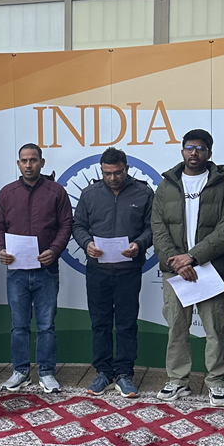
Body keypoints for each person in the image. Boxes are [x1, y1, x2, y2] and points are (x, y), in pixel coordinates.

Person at [152, 130, 224, 406]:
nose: (194, 153)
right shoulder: (167, 186)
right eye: (189, 148)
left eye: (200, 149)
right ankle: (177, 381)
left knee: (215, 329)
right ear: (181, 151)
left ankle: (216, 383)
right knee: (177, 327)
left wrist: (192, 257)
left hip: (209, 268)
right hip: (175, 271)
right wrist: (176, 261)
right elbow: (158, 227)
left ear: (209, 153)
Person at [71, 147, 152, 398]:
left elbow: (152, 228)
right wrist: (87, 244)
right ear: (101, 170)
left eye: (117, 173)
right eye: (107, 173)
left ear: (126, 168)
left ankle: (125, 373)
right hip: (97, 270)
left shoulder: (144, 192)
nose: (112, 178)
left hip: (129, 269)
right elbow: (78, 225)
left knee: (127, 323)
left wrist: (139, 244)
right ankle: (103, 372)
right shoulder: (89, 193)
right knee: (100, 323)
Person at [0, 143, 73, 393]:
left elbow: (66, 225)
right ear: (18, 164)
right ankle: (20, 371)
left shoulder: (56, 191)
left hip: (46, 271)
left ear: (42, 162)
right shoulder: (7, 193)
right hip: (16, 271)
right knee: (19, 325)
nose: (29, 165)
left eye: (33, 160)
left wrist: (55, 250)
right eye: (24, 161)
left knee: (46, 324)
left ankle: (47, 372)